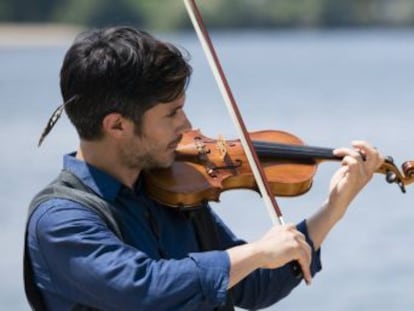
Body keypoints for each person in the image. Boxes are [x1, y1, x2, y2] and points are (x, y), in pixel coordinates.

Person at [24, 26, 383, 311]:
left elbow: (254, 287)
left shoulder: (173, 189)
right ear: (117, 125)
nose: (186, 125)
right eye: (171, 113)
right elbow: (146, 291)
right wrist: (256, 251)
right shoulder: (61, 221)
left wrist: (334, 207)